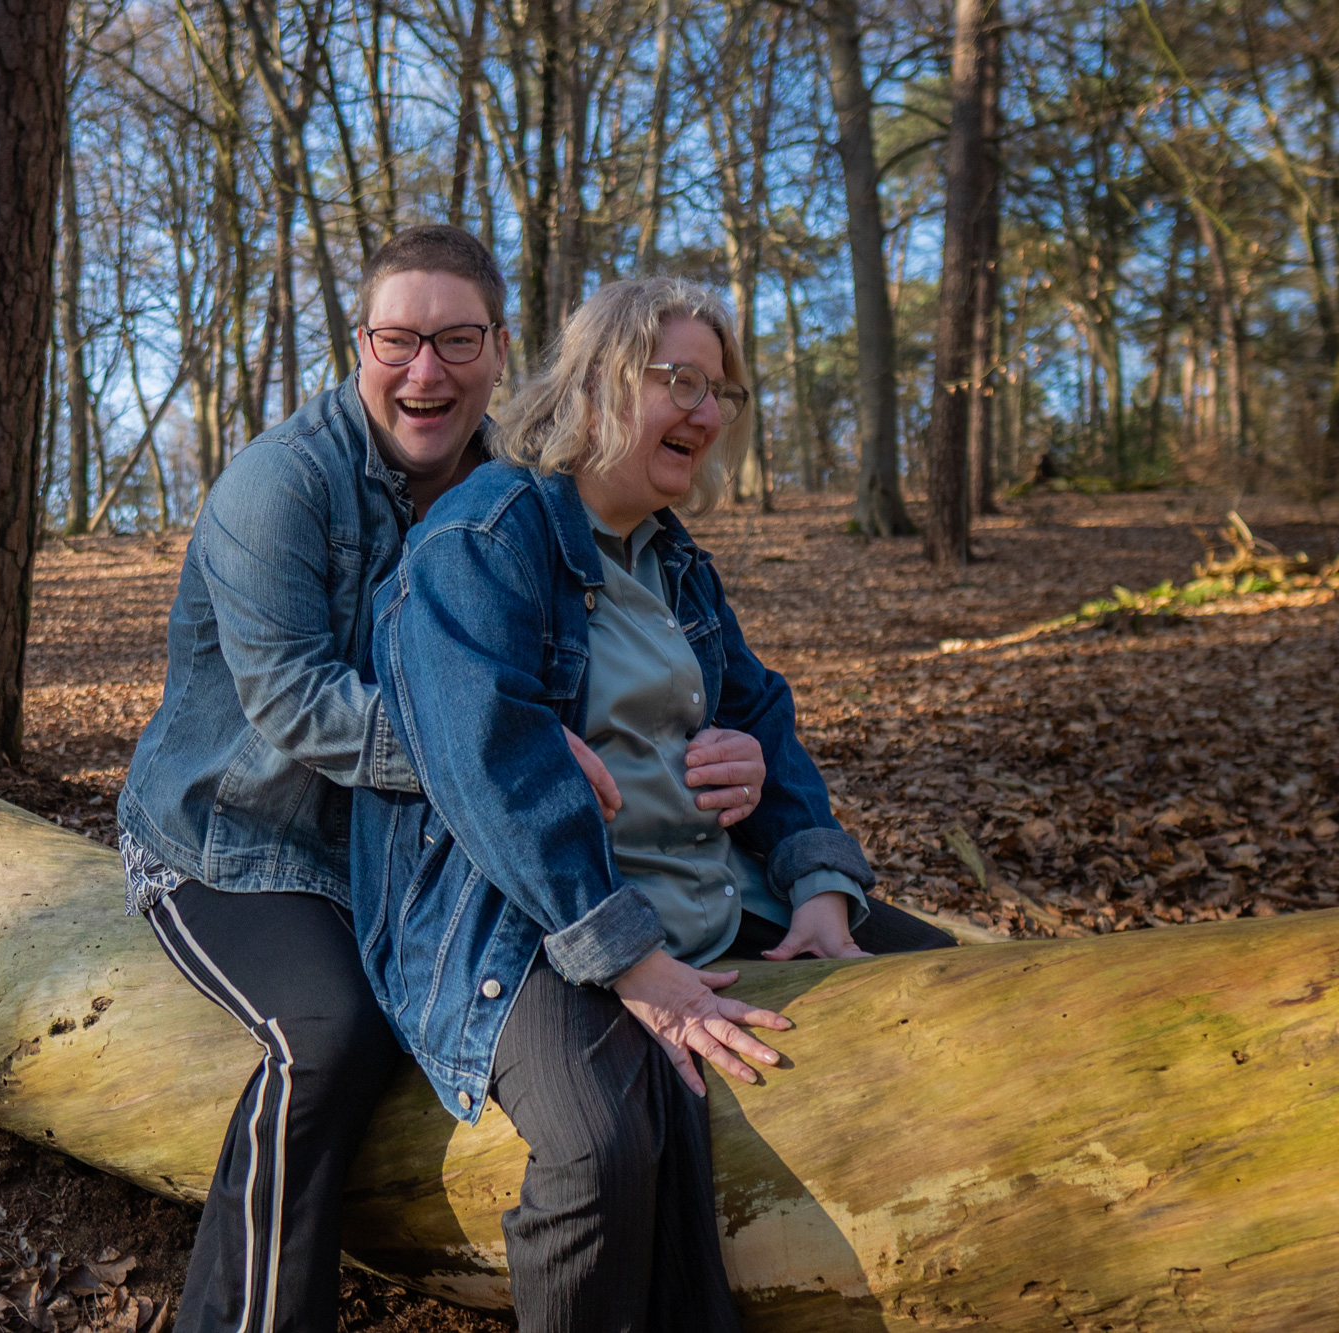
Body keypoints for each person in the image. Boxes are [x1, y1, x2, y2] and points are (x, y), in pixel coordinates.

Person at [115, 231, 768, 1333]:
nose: (427, 371)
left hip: (399, 848)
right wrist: (496, 742)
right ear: (359, 344)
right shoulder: (280, 483)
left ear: (500, 348)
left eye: (458, 340)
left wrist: (721, 749)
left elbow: (585, 657)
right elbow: (294, 699)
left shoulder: (509, 491)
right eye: (399, 340)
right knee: (327, 1036)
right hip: (233, 839)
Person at [351, 276, 956, 1333]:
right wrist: (634, 964)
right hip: (528, 921)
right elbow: (493, 767)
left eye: (720, 390)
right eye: (680, 381)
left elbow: (760, 716)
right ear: (596, 383)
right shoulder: (486, 538)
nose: (706, 413)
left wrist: (818, 883)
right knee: (601, 1148)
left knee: (943, 984)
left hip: (706, 891)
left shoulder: (674, 560)